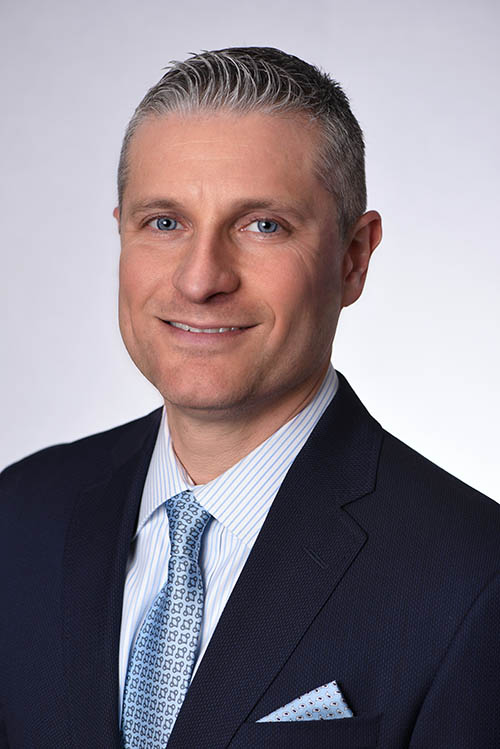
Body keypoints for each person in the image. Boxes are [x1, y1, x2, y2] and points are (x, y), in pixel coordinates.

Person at [0, 46, 499, 749]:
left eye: (263, 225)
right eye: (164, 222)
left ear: (353, 257)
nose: (200, 279)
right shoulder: (20, 513)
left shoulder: (475, 578)